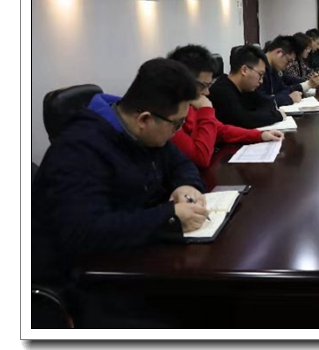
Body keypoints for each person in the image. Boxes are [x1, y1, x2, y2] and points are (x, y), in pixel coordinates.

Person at [32, 58, 210, 287]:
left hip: (132, 255)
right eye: (177, 124)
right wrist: (169, 217)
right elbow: (86, 232)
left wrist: (185, 185)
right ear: (144, 119)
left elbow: (181, 163)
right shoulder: (77, 150)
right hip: (81, 279)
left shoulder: (142, 130)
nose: (177, 132)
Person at [167, 44, 283, 169]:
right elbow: (201, 158)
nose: (207, 92)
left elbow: (221, 130)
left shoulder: (191, 106)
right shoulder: (169, 117)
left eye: (208, 85)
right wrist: (205, 110)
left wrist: (260, 135)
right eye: (203, 86)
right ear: (183, 81)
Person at [208, 44, 285, 129]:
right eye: (260, 75)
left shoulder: (244, 88)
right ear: (244, 70)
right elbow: (244, 120)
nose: (261, 81)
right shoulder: (221, 91)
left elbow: (267, 103)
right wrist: (277, 115)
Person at [256, 35, 303, 107]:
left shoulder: (274, 69)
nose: (288, 66)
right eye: (288, 61)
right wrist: (289, 98)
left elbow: (283, 89)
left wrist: (278, 97)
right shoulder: (257, 68)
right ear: (279, 53)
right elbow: (261, 102)